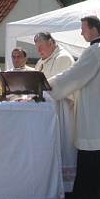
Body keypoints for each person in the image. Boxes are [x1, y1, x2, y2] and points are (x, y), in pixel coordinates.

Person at [48, 16, 100, 199]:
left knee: (94, 149)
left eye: (83, 28)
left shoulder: (95, 50)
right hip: (98, 107)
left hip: (96, 110)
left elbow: (75, 74)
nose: (81, 32)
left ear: (93, 29)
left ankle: (94, 194)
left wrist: (49, 85)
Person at [34, 32, 77, 190]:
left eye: (41, 46)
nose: (39, 51)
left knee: (63, 142)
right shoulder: (40, 62)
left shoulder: (63, 58)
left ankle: (67, 185)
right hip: (46, 110)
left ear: (51, 42)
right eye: (37, 47)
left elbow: (59, 85)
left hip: (61, 108)